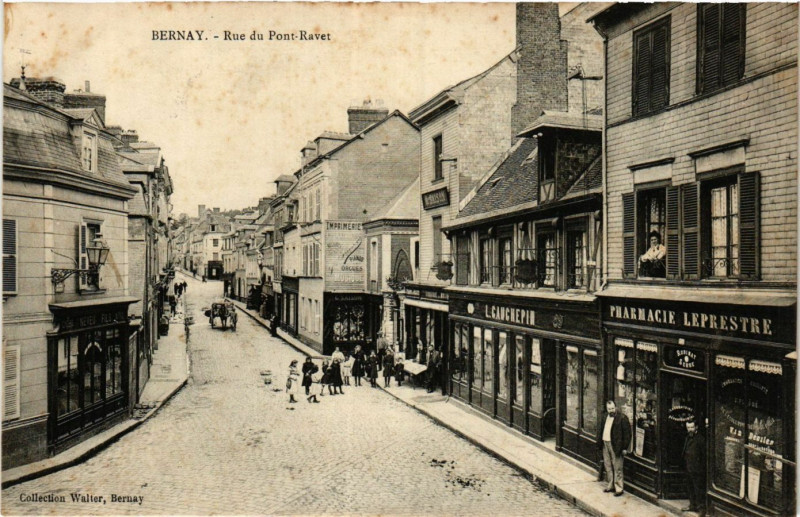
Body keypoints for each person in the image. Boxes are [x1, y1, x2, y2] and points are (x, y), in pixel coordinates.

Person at [599, 400, 631, 497]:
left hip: (616, 446)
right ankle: (610, 485)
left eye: (612, 408)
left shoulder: (622, 418)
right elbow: (601, 429)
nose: (611, 410)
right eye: (609, 409)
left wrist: (625, 447)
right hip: (605, 443)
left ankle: (619, 488)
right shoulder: (605, 416)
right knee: (608, 466)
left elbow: (627, 434)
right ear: (606, 409)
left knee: (618, 467)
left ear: (616, 407)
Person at [682, 420, 706, 515]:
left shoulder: (700, 440)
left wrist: (701, 469)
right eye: (688, 428)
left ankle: (701, 509)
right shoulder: (687, 437)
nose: (690, 430)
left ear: (696, 427)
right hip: (688, 467)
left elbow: (704, 456)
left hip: (697, 470)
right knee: (690, 488)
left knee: (698, 489)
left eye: (692, 427)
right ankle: (692, 505)